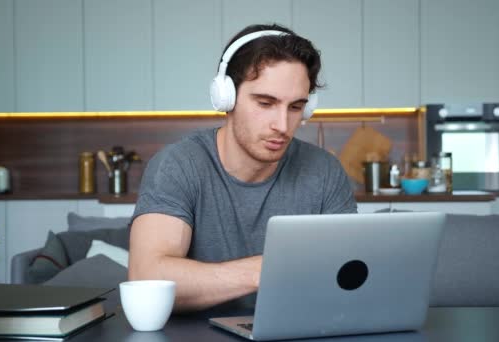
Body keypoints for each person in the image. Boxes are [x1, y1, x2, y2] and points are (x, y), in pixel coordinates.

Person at [128, 23, 357, 314]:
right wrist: (266, 269)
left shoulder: (324, 171)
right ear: (226, 97)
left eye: (296, 107)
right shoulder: (178, 165)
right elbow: (147, 277)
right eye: (265, 103)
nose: (282, 126)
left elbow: (350, 275)